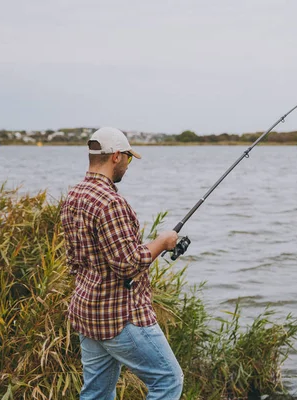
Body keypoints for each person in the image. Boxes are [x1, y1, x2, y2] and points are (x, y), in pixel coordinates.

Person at [60, 127, 183, 400]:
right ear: (116, 156)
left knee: (97, 393)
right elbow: (127, 264)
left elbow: (80, 257)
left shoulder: (74, 195)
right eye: (128, 158)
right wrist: (162, 242)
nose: (128, 165)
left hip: (87, 312)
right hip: (120, 316)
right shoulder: (110, 202)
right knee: (169, 380)